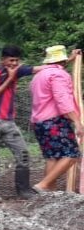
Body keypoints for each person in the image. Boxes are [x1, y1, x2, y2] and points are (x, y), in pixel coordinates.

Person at [0, 45, 43, 202]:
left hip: (9, 122)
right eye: (11, 60)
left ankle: (23, 191)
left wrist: (65, 62)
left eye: (16, 60)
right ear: (3, 60)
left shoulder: (16, 70)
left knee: (23, 153)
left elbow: (38, 69)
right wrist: (10, 78)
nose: (14, 63)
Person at [29, 45, 83, 192]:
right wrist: (77, 121)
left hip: (39, 122)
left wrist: (70, 58)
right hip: (54, 122)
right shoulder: (59, 75)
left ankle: (49, 194)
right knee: (71, 154)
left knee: (52, 157)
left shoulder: (39, 76)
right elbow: (62, 100)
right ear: (63, 60)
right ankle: (43, 185)